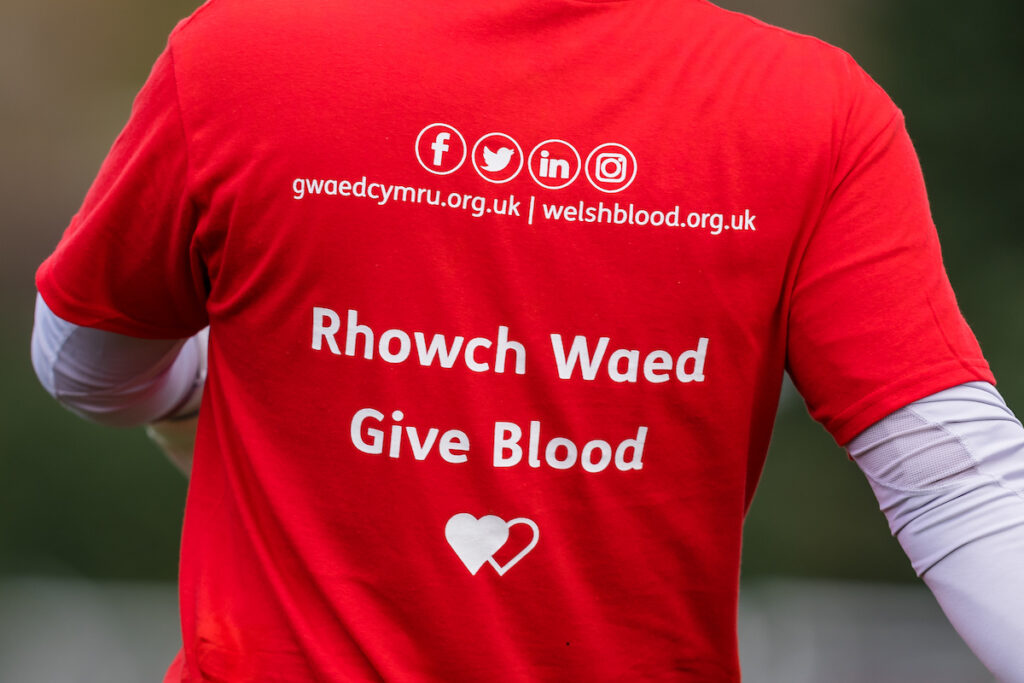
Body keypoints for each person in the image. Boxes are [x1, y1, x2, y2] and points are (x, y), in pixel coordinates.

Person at [30, 0, 1024, 680]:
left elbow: (83, 361)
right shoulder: (813, 110)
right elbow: (959, 485)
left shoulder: (243, 53)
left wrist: (220, 379)